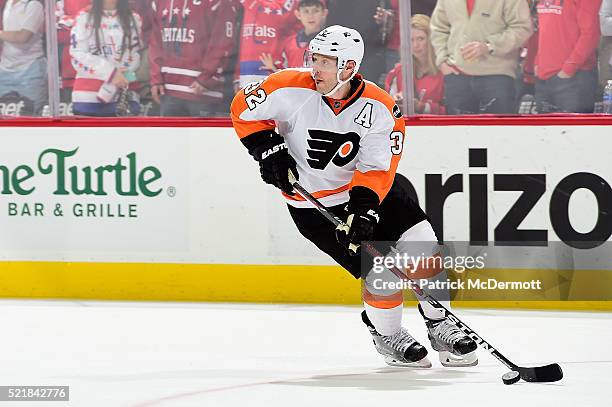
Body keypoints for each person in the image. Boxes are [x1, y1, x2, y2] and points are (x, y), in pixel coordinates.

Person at [230, 25, 478, 368]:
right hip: (315, 207)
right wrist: (267, 149)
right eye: (313, 58)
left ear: (348, 67)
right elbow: (242, 109)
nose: (314, 67)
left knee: (423, 243)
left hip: (373, 194)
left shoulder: (380, 107)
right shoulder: (287, 86)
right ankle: (387, 334)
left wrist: (364, 210)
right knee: (382, 272)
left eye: (325, 61)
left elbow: (377, 168)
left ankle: (440, 323)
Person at [430, 0, 532, 115]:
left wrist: (490, 46)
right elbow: (438, 28)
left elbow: (522, 28)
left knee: (499, 131)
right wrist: (442, 60)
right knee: (458, 132)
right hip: (456, 75)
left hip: (497, 77)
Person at [149, 0, 241, 117]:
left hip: (203, 91)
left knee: (203, 135)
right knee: (170, 135)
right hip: (168, 89)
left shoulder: (218, 3)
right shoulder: (159, 2)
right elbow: (155, 42)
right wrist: (156, 79)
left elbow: (223, 42)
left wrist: (207, 77)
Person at [70, 0, 142, 116]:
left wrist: (122, 74)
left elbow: (135, 54)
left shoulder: (133, 18)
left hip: (124, 95)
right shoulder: (84, 16)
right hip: (88, 97)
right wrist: (111, 73)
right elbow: (77, 56)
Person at [534, 0, 602, 113]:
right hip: (544, 77)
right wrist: (538, 62)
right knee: (543, 129)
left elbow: (591, 33)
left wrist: (569, 68)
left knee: (574, 129)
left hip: (574, 79)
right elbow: (544, 28)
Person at [384, 14, 445, 114]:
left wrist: (422, 107)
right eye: (411, 40)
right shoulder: (397, 72)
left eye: (420, 39)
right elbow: (385, 109)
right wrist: (396, 101)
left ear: (431, 40)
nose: (415, 45)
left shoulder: (445, 72)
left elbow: (452, 111)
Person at [0, 0, 47, 115]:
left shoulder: (34, 5)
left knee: (32, 117)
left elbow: (23, 37)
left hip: (30, 70)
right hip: (5, 70)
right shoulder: (8, 3)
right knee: (5, 117)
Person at [237, 0, 298, 87]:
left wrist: (277, 68)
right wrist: (236, 76)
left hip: (272, 70)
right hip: (245, 71)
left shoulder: (291, 7)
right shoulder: (246, 5)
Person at [259, 0, 328, 72]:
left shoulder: (330, 42)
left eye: (316, 11)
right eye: (306, 11)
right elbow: (284, 74)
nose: (310, 16)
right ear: (298, 14)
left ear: (324, 13)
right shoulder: (289, 43)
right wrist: (273, 68)